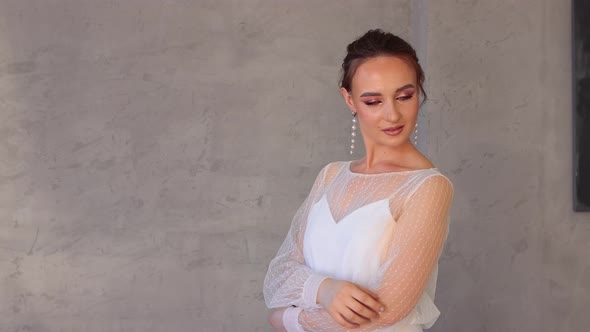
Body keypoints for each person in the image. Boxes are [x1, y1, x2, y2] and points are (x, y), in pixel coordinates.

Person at [262, 29, 454, 332]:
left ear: (420, 91)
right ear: (349, 99)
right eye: (373, 101)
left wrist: (288, 319)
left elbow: (387, 309)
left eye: (405, 96)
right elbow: (278, 277)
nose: (392, 115)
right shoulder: (330, 175)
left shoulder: (428, 188)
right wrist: (324, 289)